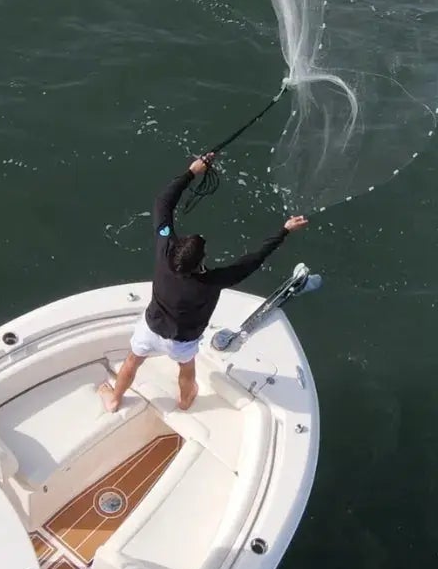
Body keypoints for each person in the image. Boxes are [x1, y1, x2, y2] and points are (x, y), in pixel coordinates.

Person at [99, 154, 308, 412]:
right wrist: (284, 230)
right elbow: (253, 260)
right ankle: (185, 400)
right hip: (183, 342)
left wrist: (191, 172)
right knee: (187, 370)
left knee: (132, 360)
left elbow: (162, 203)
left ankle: (115, 398)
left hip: (151, 329)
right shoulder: (213, 280)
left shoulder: (165, 250)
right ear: (201, 261)